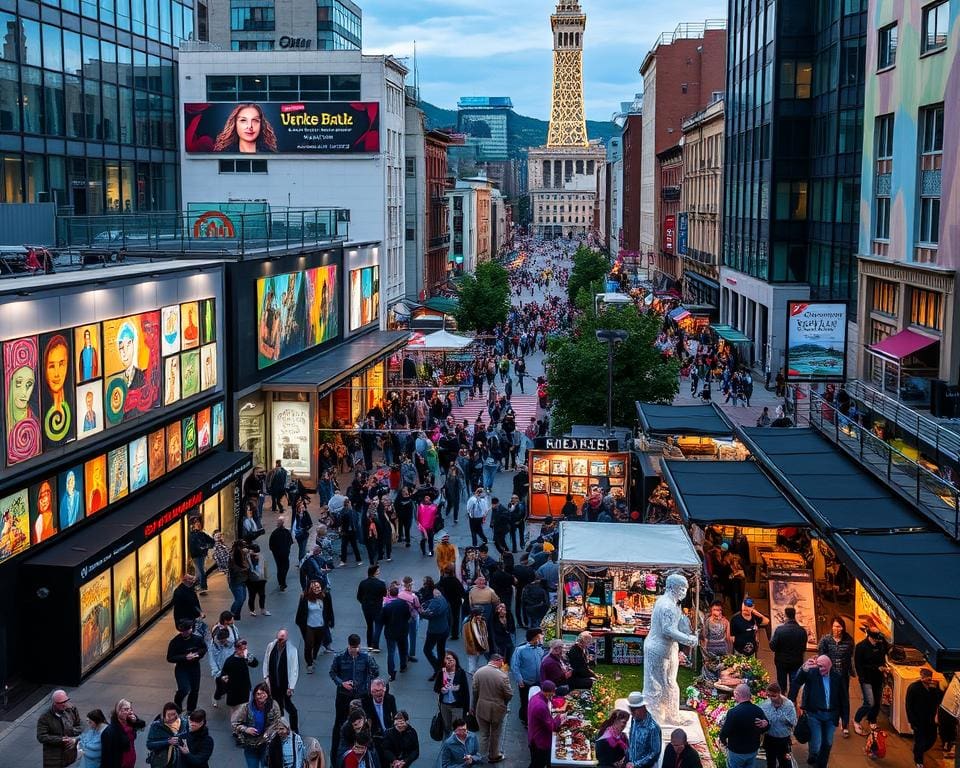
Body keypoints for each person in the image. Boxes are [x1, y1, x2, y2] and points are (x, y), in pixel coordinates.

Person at [329, 634, 380, 762]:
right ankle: (336, 757)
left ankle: (365, 750)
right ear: (348, 646)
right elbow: (332, 673)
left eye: (356, 647)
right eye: (352, 647)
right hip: (344, 696)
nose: (355, 650)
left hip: (360, 695)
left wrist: (368, 682)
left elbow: (375, 671)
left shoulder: (365, 658)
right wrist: (342, 683)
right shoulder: (340, 657)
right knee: (340, 723)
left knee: (362, 722)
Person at [797, 655, 848, 768]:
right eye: (818, 666)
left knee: (828, 742)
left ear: (829, 666)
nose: (820, 669)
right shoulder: (812, 673)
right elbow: (798, 680)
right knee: (816, 743)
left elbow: (844, 699)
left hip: (831, 715)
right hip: (814, 714)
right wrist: (804, 669)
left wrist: (845, 720)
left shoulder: (837, 677)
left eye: (822, 666)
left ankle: (822, 763)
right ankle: (814, 759)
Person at [817, 616, 854, 736]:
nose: (837, 629)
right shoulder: (826, 640)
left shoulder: (848, 640)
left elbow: (850, 657)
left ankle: (845, 725)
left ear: (843, 628)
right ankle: (831, 721)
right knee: (830, 698)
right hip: (829, 674)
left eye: (839, 626)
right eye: (835, 626)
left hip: (843, 675)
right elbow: (821, 656)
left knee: (844, 699)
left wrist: (851, 671)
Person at [471, 654, 512, 764]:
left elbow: (474, 692)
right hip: (497, 709)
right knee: (495, 733)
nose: (502, 665)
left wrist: (473, 706)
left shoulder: (479, 672)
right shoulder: (502, 676)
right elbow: (509, 694)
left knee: (483, 733)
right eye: (502, 662)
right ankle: (493, 755)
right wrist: (504, 703)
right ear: (498, 661)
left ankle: (481, 756)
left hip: (481, 707)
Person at [718, 683, 768, 768]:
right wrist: (765, 724)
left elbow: (724, 732)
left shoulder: (733, 712)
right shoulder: (758, 710)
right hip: (752, 750)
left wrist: (724, 743)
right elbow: (766, 727)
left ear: (737, 694)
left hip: (736, 751)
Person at [232, 683, 282, 768]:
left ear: (267, 694)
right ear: (254, 695)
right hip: (250, 745)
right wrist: (246, 729)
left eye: (263, 693)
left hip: (266, 744)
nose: (261, 696)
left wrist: (269, 732)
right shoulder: (246, 708)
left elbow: (277, 722)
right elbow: (235, 723)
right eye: (258, 694)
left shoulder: (273, 706)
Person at [852, 629, 890, 736]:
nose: (876, 641)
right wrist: (875, 668)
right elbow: (859, 665)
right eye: (875, 639)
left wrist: (884, 668)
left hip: (878, 678)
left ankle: (872, 719)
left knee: (877, 701)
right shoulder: (861, 647)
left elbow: (883, 658)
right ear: (869, 637)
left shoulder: (881, 645)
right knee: (869, 702)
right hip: (866, 679)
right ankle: (856, 719)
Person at [167, 619, 208, 714]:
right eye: (183, 631)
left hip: (194, 667)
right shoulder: (175, 642)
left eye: (188, 630)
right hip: (182, 668)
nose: (185, 632)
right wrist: (185, 657)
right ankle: (177, 703)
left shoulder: (197, 639)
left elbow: (204, 648)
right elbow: (170, 658)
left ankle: (191, 709)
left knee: (195, 689)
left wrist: (197, 654)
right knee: (184, 688)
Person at [263, 629, 300, 734]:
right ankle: (280, 727)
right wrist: (266, 677)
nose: (280, 642)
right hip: (274, 684)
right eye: (279, 639)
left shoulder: (292, 650)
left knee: (291, 708)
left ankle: (294, 729)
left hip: (284, 685)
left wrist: (291, 686)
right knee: (277, 707)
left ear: (286, 639)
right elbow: (266, 661)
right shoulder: (271, 646)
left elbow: (294, 669)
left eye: (282, 640)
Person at [768, 606, 807, 702]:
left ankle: (782, 701)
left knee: (782, 684)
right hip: (796, 662)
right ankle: (792, 701)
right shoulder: (802, 631)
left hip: (781, 661)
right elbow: (803, 648)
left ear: (786, 616)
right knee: (794, 683)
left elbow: (772, 647)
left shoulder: (780, 630)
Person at [906, 668, 943, 768]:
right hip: (919, 720)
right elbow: (909, 706)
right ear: (921, 676)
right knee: (920, 741)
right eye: (925, 676)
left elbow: (939, 699)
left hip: (931, 720)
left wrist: (938, 686)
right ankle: (919, 760)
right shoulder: (914, 688)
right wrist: (912, 721)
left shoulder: (933, 688)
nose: (928, 678)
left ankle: (917, 751)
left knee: (932, 739)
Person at [296, 580, 335, 673]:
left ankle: (313, 657)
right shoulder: (305, 598)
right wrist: (300, 624)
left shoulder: (325, 596)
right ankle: (309, 664)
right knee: (309, 645)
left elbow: (329, 609)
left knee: (317, 643)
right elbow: (300, 613)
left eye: (318, 587)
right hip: (309, 625)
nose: (317, 589)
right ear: (310, 589)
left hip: (321, 625)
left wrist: (330, 621)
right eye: (314, 588)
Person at [37, 689, 83, 768]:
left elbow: (80, 726)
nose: (65, 704)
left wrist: (73, 736)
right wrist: (61, 739)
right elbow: (41, 737)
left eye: (66, 701)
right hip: (53, 757)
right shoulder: (45, 717)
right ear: (54, 703)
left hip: (70, 754)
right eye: (62, 703)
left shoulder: (71, 709)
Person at [213, 103, 278, 153]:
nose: (250, 126)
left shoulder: (270, 154)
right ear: (235, 124)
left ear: (262, 125)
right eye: (243, 120)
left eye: (255, 120)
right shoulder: (224, 154)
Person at [100, 700, 146, 768]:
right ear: (118, 711)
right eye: (125, 709)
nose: (129, 712)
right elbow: (106, 756)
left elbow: (142, 725)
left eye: (130, 709)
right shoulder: (109, 731)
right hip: (120, 763)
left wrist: (136, 721)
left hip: (131, 760)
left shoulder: (130, 722)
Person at [759, 683, 796, 768]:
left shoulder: (788, 705)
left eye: (774, 696)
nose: (771, 698)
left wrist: (785, 719)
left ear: (779, 693)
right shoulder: (765, 705)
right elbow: (760, 717)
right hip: (770, 738)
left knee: (785, 763)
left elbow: (794, 722)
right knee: (770, 763)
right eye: (769, 695)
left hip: (784, 740)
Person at [219, 638, 260, 715]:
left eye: (245, 649)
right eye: (242, 649)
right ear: (236, 649)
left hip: (245, 689)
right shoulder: (230, 661)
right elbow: (223, 674)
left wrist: (248, 658)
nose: (244, 651)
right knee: (235, 714)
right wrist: (224, 679)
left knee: (246, 712)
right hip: (234, 692)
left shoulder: (246, 658)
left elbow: (255, 664)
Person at [526, 680, 561, 768]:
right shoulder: (541, 706)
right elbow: (552, 726)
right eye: (553, 692)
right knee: (538, 764)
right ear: (550, 693)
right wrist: (560, 718)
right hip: (539, 741)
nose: (554, 695)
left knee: (536, 762)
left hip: (533, 736)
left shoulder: (535, 697)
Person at [361, 678, 397, 764]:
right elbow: (367, 719)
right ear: (372, 692)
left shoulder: (390, 699)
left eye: (381, 691)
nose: (379, 694)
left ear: (384, 691)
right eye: (376, 692)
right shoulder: (366, 701)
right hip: (375, 736)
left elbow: (395, 715)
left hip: (389, 734)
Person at [434, 651, 470, 736]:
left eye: (451, 659)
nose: (449, 661)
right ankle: (447, 746)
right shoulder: (442, 673)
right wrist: (441, 689)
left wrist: (467, 709)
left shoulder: (460, 673)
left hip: (457, 705)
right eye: (447, 659)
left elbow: (466, 691)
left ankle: (455, 746)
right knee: (446, 727)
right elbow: (436, 688)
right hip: (444, 705)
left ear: (455, 661)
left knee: (456, 729)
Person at [380, 586, 411, 682]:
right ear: (398, 594)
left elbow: (383, 620)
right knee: (403, 649)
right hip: (402, 631)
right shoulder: (404, 604)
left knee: (391, 652)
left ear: (390, 594)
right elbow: (408, 616)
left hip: (390, 632)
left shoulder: (386, 607)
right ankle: (403, 665)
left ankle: (391, 673)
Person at [421, 588, 452, 677]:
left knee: (427, 650)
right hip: (444, 629)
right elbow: (449, 616)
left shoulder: (434, 603)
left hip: (434, 631)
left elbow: (429, 615)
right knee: (441, 650)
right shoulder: (444, 600)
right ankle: (442, 669)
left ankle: (437, 668)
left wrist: (422, 613)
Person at [625, 692, 661, 768]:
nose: (632, 713)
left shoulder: (653, 727)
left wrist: (636, 764)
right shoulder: (633, 720)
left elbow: (654, 752)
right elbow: (632, 742)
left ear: (642, 708)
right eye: (630, 709)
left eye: (634, 710)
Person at [146, 702, 186, 768]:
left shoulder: (183, 723)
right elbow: (150, 745)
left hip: (178, 762)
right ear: (164, 715)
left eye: (174, 714)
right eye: (169, 715)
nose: (172, 717)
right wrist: (167, 742)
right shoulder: (156, 726)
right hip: (161, 762)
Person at [357, 565, 388, 652]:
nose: (379, 572)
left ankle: (369, 644)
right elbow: (385, 594)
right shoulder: (381, 583)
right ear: (375, 572)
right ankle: (375, 645)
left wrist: (364, 603)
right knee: (378, 625)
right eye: (378, 571)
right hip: (377, 607)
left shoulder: (363, 583)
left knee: (369, 626)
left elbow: (359, 596)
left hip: (366, 607)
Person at [188, 519, 215, 594]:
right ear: (193, 525)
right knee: (198, 571)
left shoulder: (201, 534)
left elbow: (212, 542)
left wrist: (205, 547)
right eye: (197, 524)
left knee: (201, 570)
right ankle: (200, 586)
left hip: (200, 555)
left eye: (199, 524)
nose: (198, 525)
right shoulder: (192, 534)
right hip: (195, 555)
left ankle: (203, 587)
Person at [268, 517, 294, 592]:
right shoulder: (286, 532)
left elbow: (271, 545)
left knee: (279, 568)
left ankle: (281, 583)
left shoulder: (274, 533)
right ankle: (282, 582)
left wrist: (275, 552)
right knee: (285, 567)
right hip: (285, 554)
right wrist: (287, 549)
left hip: (277, 555)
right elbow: (291, 542)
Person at [247, 546, 270, 616]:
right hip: (251, 580)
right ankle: (252, 610)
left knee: (262, 595)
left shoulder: (261, 557)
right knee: (252, 595)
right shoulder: (247, 558)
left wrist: (266, 578)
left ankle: (262, 609)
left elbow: (265, 567)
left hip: (261, 579)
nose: (257, 555)